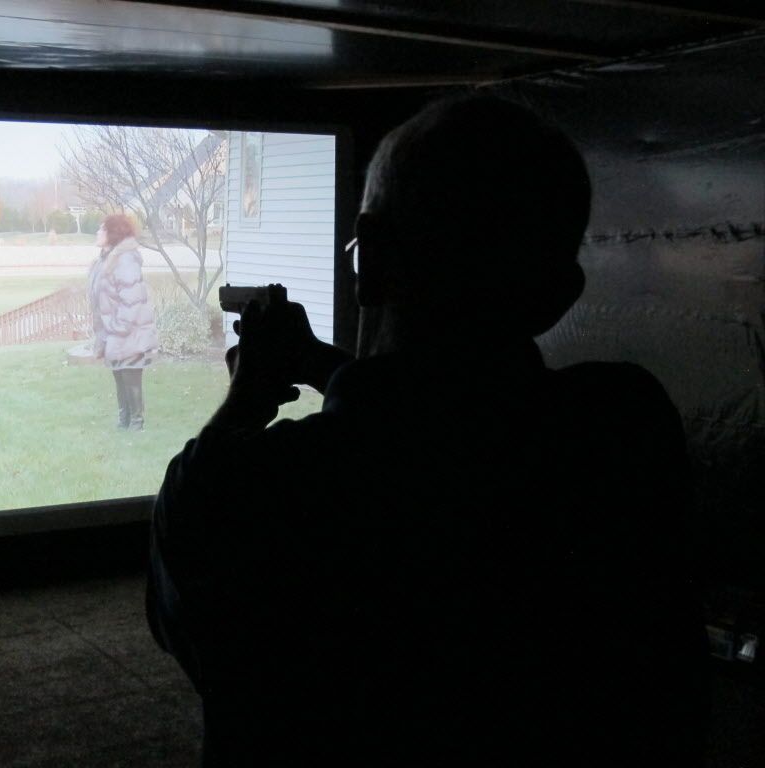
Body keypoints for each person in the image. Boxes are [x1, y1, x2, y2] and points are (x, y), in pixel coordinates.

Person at [147, 96, 708, 767]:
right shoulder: (622, 430)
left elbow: (183, 594)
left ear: (371, 261)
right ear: (560, 293)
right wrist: (323, 365)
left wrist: (249, 392)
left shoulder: (240, 490)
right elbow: (443, 413)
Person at [87, 213, 158, 431]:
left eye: (102, 229)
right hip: (115, 334)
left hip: (129, 332)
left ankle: (136, 423)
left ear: (113, 233)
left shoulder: (124, 259)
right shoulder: (106, 258)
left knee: (131, 377)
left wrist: (118, 327)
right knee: (119, 376)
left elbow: (132, 299)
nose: (98, 233)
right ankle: (124, 420)